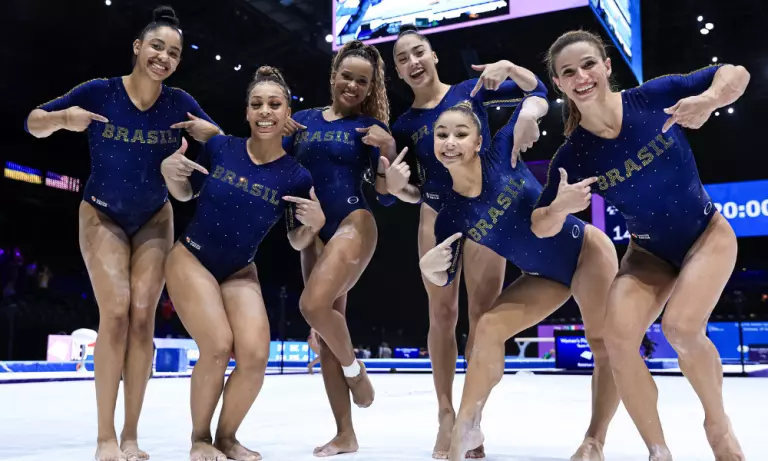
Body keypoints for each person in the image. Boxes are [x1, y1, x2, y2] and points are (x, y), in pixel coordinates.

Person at [532, 30, 750, 461]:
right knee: (616, 340)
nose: (581, 76)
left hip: (707, 234)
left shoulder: (653, 97)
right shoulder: (573, 156)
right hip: (647, 254)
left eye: (589, 64)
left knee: (682, 328)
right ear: (559, 83)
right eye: (569, 72)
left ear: (607, 66)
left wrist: (708, 101)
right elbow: (540, 225)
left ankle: (717, 426)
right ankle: (658, 450)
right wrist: (559, 208)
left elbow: (736, 73)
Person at [24, 6, 220, 461]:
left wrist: (213, 136)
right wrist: (60, 120)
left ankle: (131, 435)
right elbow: (32, 122)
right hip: (102, 214)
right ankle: (104, 437)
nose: (164, 57)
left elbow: (223, 148)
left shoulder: (180, 103)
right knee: (113, 312)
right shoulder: (100, 93)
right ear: (137, 47)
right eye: (157, 46)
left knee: (141, 315)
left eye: (173, 52)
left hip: (155, 217)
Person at [415, 96, 620, 461]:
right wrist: (430, 268)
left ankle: (595, 440)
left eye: (461, 134)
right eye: (441, 134)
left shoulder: (501, 154)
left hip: (586, 253)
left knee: (604, 346)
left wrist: (529, 112)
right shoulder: (452, 214)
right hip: (543, 276)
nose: (449, 141)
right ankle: (468, 425)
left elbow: (538, 95)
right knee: (488, 326)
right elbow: (444, 275)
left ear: (478, 142)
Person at [387, 24, 548, 458]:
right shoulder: (403, 124)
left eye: (417, 52)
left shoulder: (471, 89)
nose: (412, 62)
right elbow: (412, 190)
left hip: (486, 213)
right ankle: (444, 414)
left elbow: (540, 88)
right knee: (441, 313)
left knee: (483, 316)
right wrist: (396, 186)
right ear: (398, 72)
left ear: (433, 54)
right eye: (402, 59)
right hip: (437, 215)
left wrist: (512, 68)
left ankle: (469, 418)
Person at [161, 65, 322, 461]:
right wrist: (170, 175)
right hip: (191, 257)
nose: (265, 112)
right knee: (217, 347)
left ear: (288, 114)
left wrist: (314, 226)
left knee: (254, 356)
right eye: (257, 105)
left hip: (239, 269)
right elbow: (185, 194)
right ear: (247, 112)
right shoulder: (221, 148)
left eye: (274, 104)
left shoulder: (296, 176)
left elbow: (296, 238)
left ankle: (226, 438)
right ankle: (200, 439)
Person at [282, 39, 394, 457]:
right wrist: (281, 132)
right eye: (346, 76)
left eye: (362, 81)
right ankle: (345, 433)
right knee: (327, 332)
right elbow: (280, 173)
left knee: (312, 307)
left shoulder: (368, 130)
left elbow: (385, 196)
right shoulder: (304, 120)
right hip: (312, 232)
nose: (352, 85)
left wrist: (388, 149)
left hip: (353, 224)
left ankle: (355, 371)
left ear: (369, 87)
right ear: (333, 77)